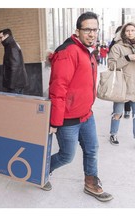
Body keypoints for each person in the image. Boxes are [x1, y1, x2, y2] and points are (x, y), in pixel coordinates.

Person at [47, 12, 113, 202]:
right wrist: (55, 121)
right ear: (77, 30)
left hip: (86, 115)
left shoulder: (86, 49)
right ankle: (41, 170)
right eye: (87, 29)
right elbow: (58, 89)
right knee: (66, 156)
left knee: (92, 149)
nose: (92, 34)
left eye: (95, 29)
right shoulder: (68, 52)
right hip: (68, 119)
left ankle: (91, 183)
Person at [108, 22, 135, 145]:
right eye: (127, 30)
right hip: (122, 85)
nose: (130, 33)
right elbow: (111, 65)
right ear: (123, 32)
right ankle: (113, 134)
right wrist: (127, 58)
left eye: (133, 30)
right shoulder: (117, 47)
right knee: (118, 113)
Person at [0, 28, 28, 94]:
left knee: (15, 103)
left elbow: (14, 67)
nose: (0, 40)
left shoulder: (11, 47)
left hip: (15, 85)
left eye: (1, 37)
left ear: (7, 36)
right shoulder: (12, 45)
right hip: (17, 84)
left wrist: (11, 86)